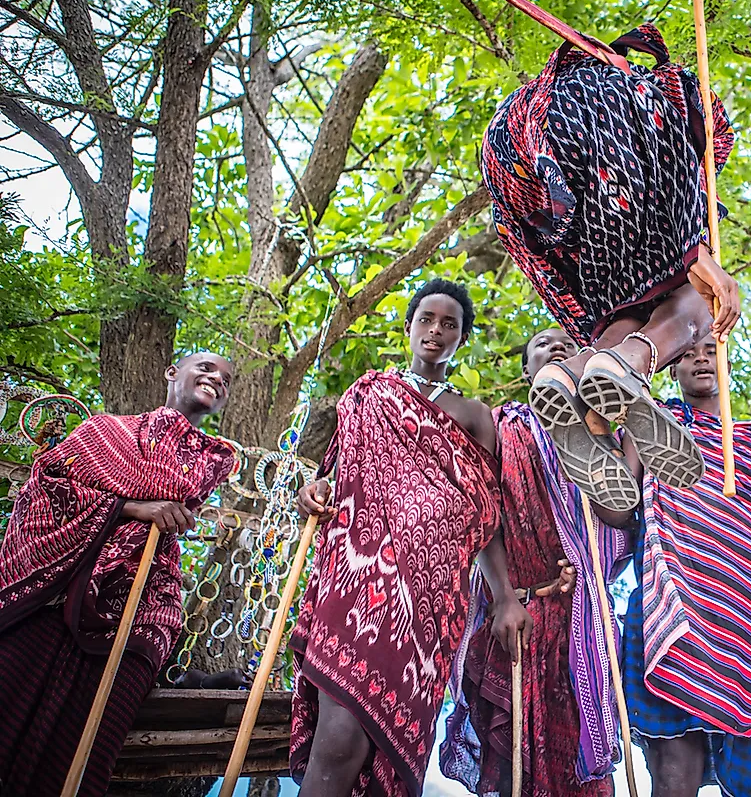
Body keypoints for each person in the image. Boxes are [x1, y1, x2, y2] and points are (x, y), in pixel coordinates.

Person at [482, 23, 742, 512]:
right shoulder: (667, 98)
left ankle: (571, 375)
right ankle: (630, 365)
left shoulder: (561, 89)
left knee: (629, 305)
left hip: (525, 164)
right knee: (704, 302)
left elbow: (525, 233)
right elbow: (675, 173)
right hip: (590, 129)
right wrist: (700, 255)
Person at [289, 279, 504, 797]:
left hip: (432, 602)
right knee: (338, 736)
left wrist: (504, 598)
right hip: (359, 580)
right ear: (408, 328)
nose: (435, 330)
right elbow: (339, 475)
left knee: (378, 744)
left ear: (461, 338)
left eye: (449, 324)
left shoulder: (474, 414)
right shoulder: (369, 394)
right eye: (426, 319)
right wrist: (315, 488)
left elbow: (488, 512)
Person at [0, 353, 237, 797]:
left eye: (225, 380)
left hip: (142, 608)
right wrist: (131, 508)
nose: (216, 379)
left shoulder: (208, 466)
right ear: (171, 372)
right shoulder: (106, 431)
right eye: (205, 367)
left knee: (87, 757)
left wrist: (163, 517)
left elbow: (173, 522)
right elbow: (46, 486)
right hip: (57, 597)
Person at [592, 333, 751, 797]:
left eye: (710, 351)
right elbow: (621, 512)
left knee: (746, 783)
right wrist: (601, 441)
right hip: (667, 603)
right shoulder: (650, 428)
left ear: (728, 362)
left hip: (744, 616)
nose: (701, 359)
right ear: (671, 369)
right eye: (687, 353)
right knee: (672, 774)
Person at [441, 326, 629, 797]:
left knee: (582, 770)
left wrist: (583, 565)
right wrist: (506, 594)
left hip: (584, 620)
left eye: (568, 344)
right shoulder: (501, 427)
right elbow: (481, 512)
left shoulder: (612, 431)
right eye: (542, 343)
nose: (558, 346)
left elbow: (628, 521)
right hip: (514, 612)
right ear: (526, 370)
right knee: (511, 764)